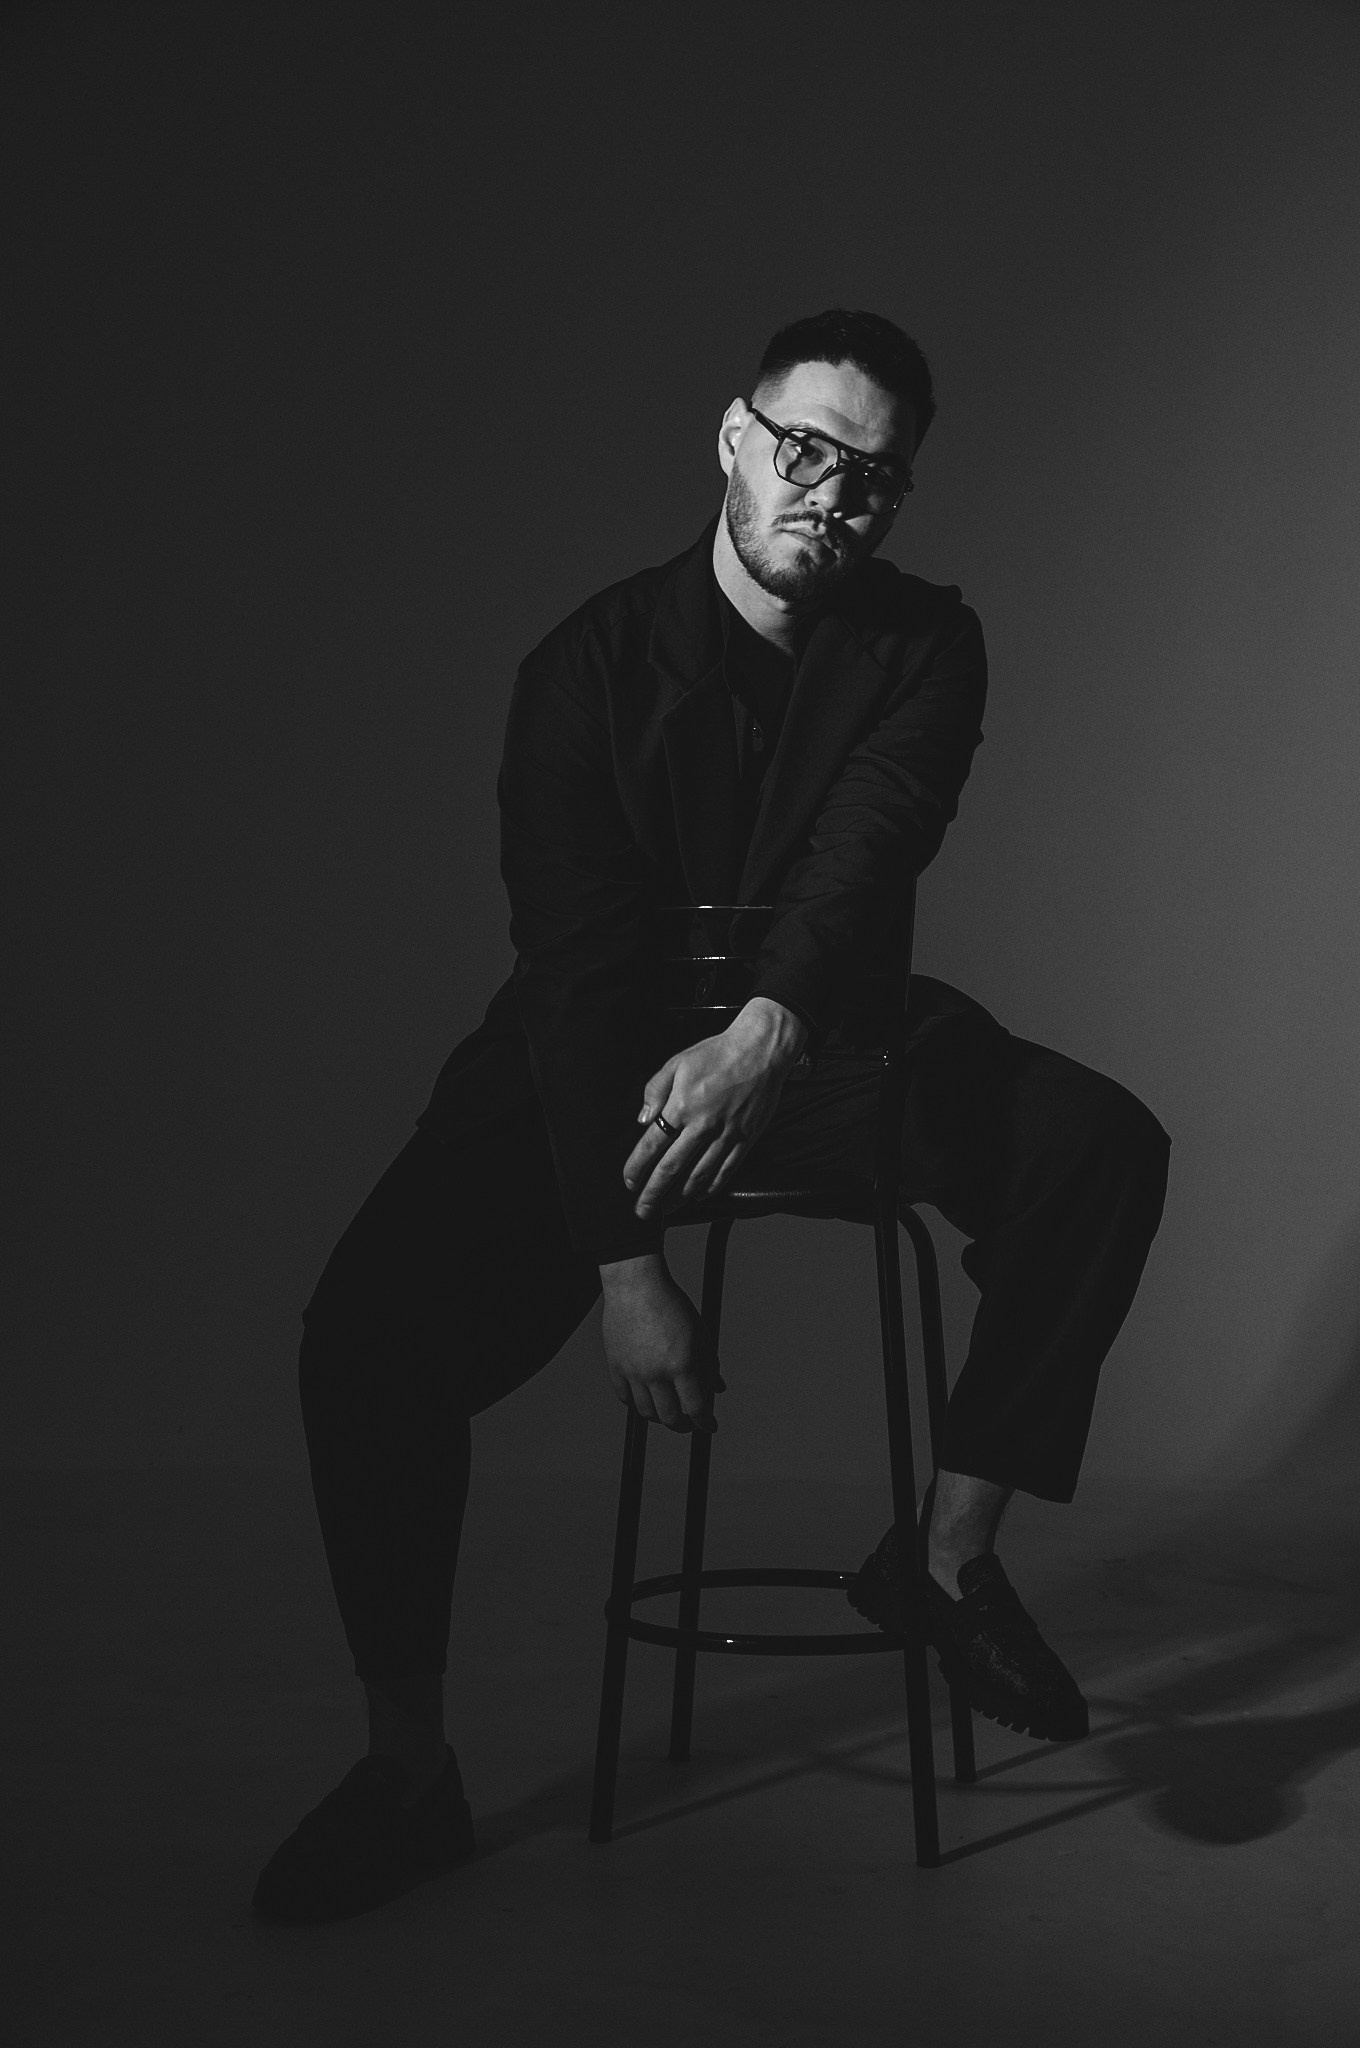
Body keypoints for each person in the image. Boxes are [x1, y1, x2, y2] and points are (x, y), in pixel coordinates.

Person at [252, 309, 1170, 1923]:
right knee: (360, 1346)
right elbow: (572, 968)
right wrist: (627, 1265)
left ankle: (942, 1561)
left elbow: (868, 851)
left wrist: (767, 1035)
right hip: (592, 1061)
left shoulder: (924, 643)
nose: (835, 494)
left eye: (875, 477)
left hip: (824, 1051)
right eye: (807, 449)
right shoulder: (586, 668)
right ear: (735, 438)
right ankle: (408, 1769)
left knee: (1099, 1144)